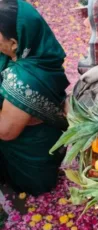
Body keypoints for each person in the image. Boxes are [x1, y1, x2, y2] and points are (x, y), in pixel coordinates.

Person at [0, 0, 69, 195]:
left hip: (30, 151)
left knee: (33, 184)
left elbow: (6, 131)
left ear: (14, 43)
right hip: (46, 137)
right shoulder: (40, 51)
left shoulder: (25, 79)